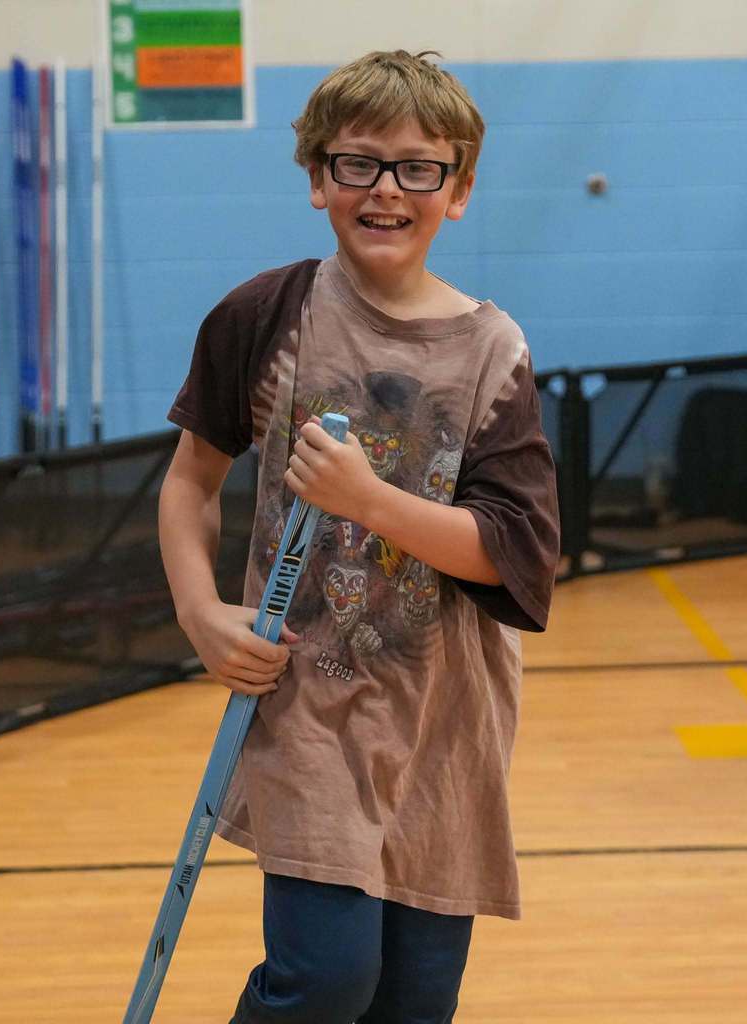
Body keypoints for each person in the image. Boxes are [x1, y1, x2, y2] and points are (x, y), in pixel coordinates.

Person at [160, 49, 560, 1024]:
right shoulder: (266, 316)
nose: (386, 189)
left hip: (445, 726)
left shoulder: (491, 351)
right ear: (316, 179)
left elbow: (517, 557)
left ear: (457, 190)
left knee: (414, 1001)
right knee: (326, 978)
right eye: (358, 164)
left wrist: (367, 498)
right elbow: (189, 482)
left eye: (418, 167)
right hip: (311, 709)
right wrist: (200, 612)